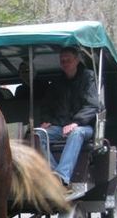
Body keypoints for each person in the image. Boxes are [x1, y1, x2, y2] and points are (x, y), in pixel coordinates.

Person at [36, 47, 100, 187]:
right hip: (60, 127)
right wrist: (46, 120)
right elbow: (46, 105)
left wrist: (76, 122)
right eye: (62, 61)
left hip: (84, 127)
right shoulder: (57, 82)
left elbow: (93, 105)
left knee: (76, 133)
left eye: (68, 60)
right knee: (37, 134)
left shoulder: (88, 77)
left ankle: (62, 175)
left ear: (77, 60)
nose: (65, 64)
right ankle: (53, 173)